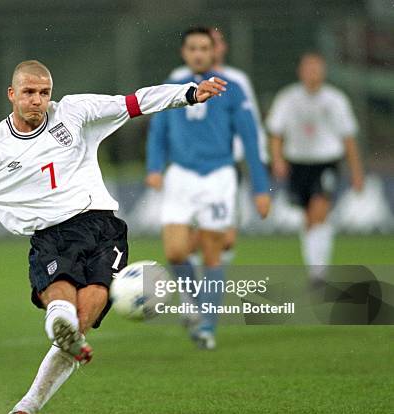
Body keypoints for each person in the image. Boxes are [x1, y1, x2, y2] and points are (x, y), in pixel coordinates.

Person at [0, 60, 227, 414]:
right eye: (29, 92)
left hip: (103, 227)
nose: (37, 100)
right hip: (51, 234)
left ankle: (29, 400)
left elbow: (134, 102)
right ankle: (53, 343)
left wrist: (189, 94)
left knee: (88, 312)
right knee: (62, 295)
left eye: (44, 93)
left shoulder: (74, 112)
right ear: (12, 95)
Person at [145, 28, 271, 350]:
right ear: (184, 52)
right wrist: (154, 166)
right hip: (181, 176)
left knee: (213, 254)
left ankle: (206, 327)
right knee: (175, 251)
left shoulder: (233, 88)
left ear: (214, 52)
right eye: (193, 48)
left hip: (218, 176)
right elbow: (158, 127)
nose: (199, 53)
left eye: (204, 48)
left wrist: (261, 187)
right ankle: (198, 302)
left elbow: (251, 139)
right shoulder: (173, 85)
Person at [167, 27, 269, 266]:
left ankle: (204, 289)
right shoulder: (179, 77)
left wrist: (259, 173)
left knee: (226, 240)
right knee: (194, 241)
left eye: (216, 42)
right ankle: (195, 298)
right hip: (188, 168)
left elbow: (250, 126)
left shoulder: (237, 81)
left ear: (220, 48)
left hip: (226, 167)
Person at [267, 52, 364, 286]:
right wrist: (277, 159)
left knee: (320, 210)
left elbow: (348, 138)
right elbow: (276, 133)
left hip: (326, 162)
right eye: (308, 68)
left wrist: (356, 171)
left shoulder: (335, 100)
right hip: (298, 164)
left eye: (316, 68)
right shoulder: (287, 98)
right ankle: (315, 267)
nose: (312, 73)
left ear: (324, 71)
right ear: (300, 71)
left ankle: (318, 273)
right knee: (309, 218)